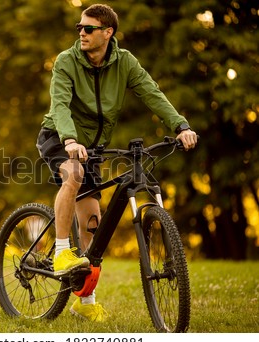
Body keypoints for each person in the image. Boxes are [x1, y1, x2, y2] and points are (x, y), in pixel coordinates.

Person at [36, 4, 198, 322]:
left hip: (94, 146)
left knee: (93, 224)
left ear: (107, 33)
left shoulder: (125, 63)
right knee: (74, 174)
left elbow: (152, 93)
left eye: (89, 28)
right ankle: (59, 252)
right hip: (59, 136)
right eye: (79, 27)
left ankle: (84, 303)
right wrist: (70, 139)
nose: (81, 32)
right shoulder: (66, 61)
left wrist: (180, 126)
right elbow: (60, 104)